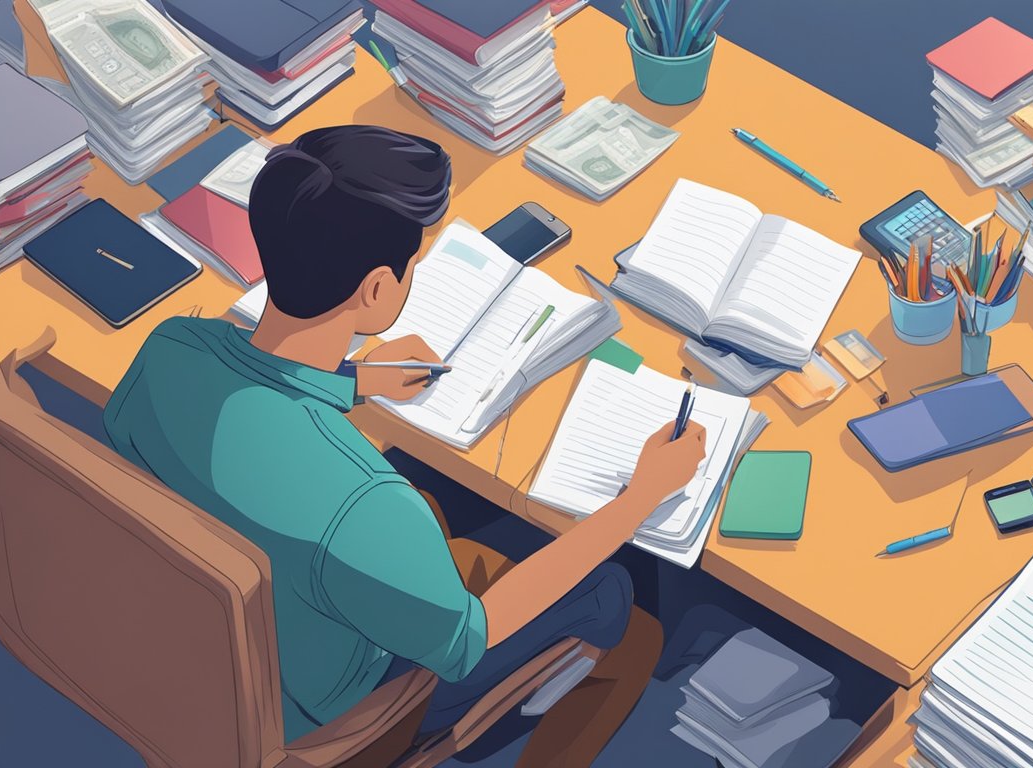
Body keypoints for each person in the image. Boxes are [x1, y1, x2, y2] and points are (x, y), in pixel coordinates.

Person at [103, 125, 707, 767]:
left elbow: (227, 417)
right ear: (376, 290)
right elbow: (472, 637)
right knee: (624, 606)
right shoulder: (368, 502)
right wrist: (637, 500)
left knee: (434, 518)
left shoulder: (172, 345)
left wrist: (356, 378)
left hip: (197, 647)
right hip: (322, 713)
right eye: (414, 265)